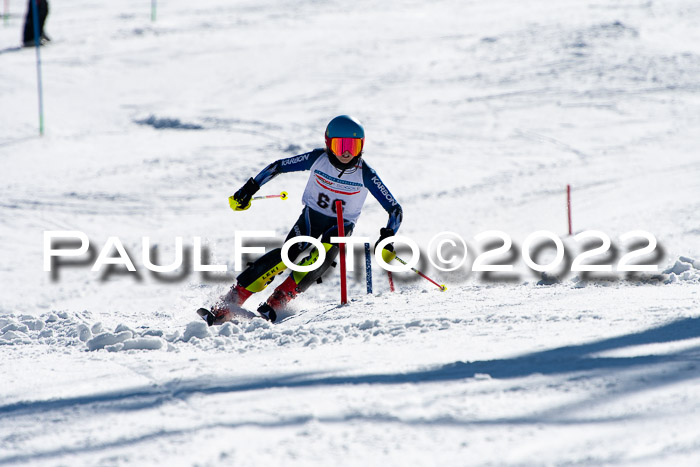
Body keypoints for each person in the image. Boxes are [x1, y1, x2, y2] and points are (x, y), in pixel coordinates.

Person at [199, 115, 402, 325]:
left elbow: (395, 209)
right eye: (340, 145)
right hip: (312, 217)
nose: (346, 152)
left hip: (340, 226)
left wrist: (387, 238)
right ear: (328, 143)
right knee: (287, 255)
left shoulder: (365, 173)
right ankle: (233, 298)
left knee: (319, 258)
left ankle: (280, 299)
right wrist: (249, 189)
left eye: (353, 145)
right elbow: (278, 166)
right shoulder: (318, 158)